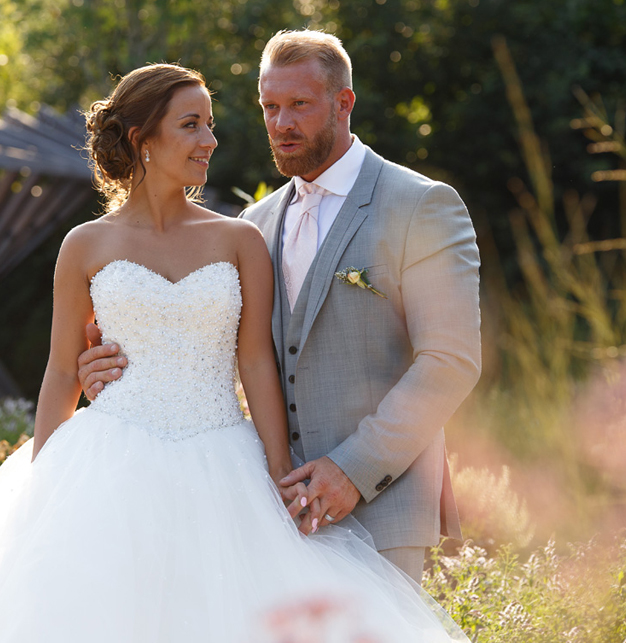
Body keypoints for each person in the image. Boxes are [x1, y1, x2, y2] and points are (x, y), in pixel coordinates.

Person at [0, 63, 470, 642]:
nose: (210, 140)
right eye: (191, 125)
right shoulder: (84, 245)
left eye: (211, 125)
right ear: (143, 139)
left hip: (224, 460)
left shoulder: (241, 237)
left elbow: (255, 363)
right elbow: (64, 367)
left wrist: (280, 478)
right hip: (110, 458)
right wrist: (42, 488)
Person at [77, 30, 482, 582]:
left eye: (299, 105)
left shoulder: (421, 206)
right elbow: (223, 352)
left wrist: (351, 471)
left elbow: (450, 361)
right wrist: (108, 365)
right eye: (270, 107)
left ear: (344, 104)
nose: (281, 123)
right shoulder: (253, 227)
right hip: (269, 510)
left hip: (384, 511)